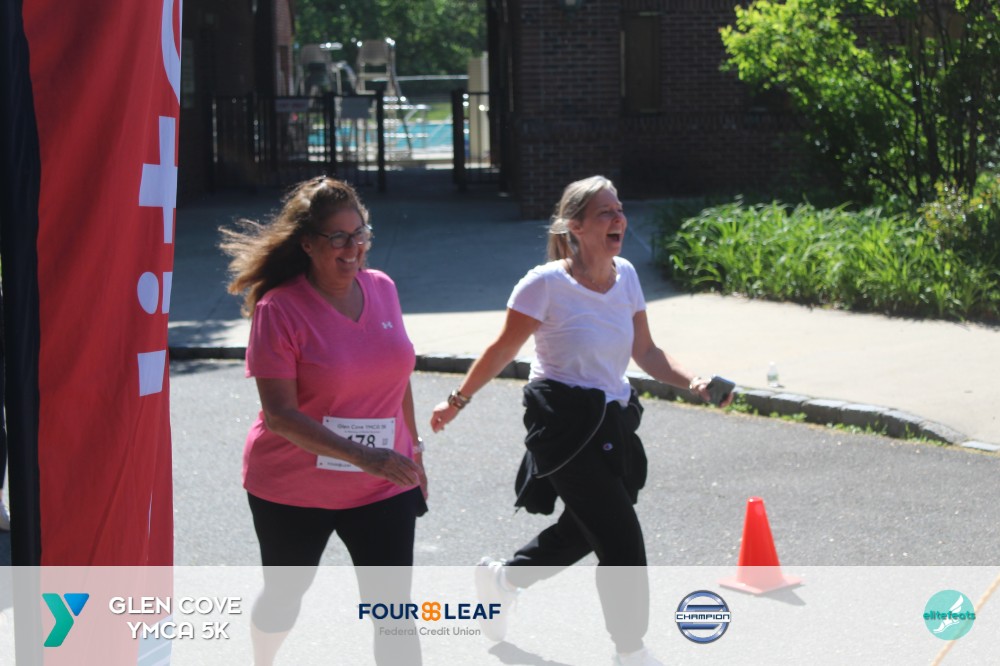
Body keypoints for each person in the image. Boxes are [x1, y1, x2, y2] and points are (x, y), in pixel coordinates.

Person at [429, 175, 733, 666]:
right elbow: (502, 349)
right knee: (621, 539)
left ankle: (504, 579)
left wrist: (694, 380)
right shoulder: (545, 284)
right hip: (564, 427)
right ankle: (630, 649)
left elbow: (646, 352)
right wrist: (456, 400)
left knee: (583, 528)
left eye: (619, 209)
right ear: (576, 227)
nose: (619, 220)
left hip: (613, 420)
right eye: (605, 213)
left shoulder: (626, 275)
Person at [222, 176, 427, 666]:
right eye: (338, 237)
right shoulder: (279, 309)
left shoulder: (383, 288)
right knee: (284, 596)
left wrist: (414, 452)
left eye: (360, 233)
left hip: (381, 484)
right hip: (294, 486)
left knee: (393, 612)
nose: (353, 248)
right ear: (308, 243)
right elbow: (280, 415)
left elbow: (398, 378)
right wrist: (365, 456)